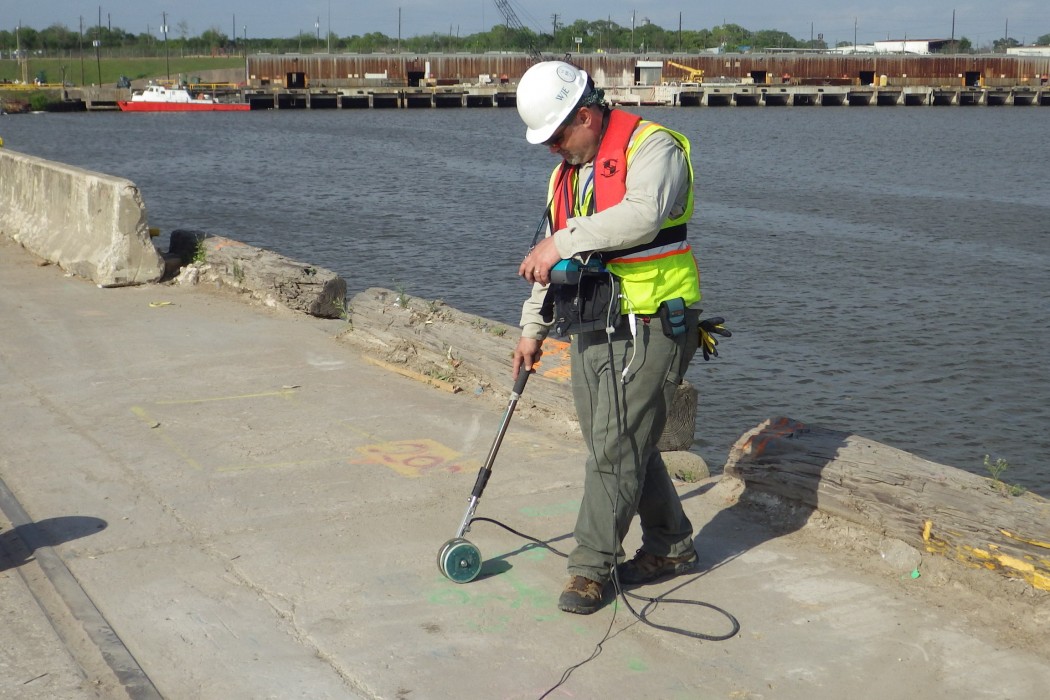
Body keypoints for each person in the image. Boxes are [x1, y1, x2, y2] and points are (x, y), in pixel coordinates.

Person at [512, 61, 703, 615]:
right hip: (591, 319)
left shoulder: (654, 148)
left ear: (586, 115)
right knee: (615, 443)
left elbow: (643, 217)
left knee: (618, 444)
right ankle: (671, 545)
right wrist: (532, 329)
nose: (553, 150)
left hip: (653, 319)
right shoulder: (565, 176)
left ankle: (590, 567)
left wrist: (563, 241)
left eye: (557, 137)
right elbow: (550, 262)